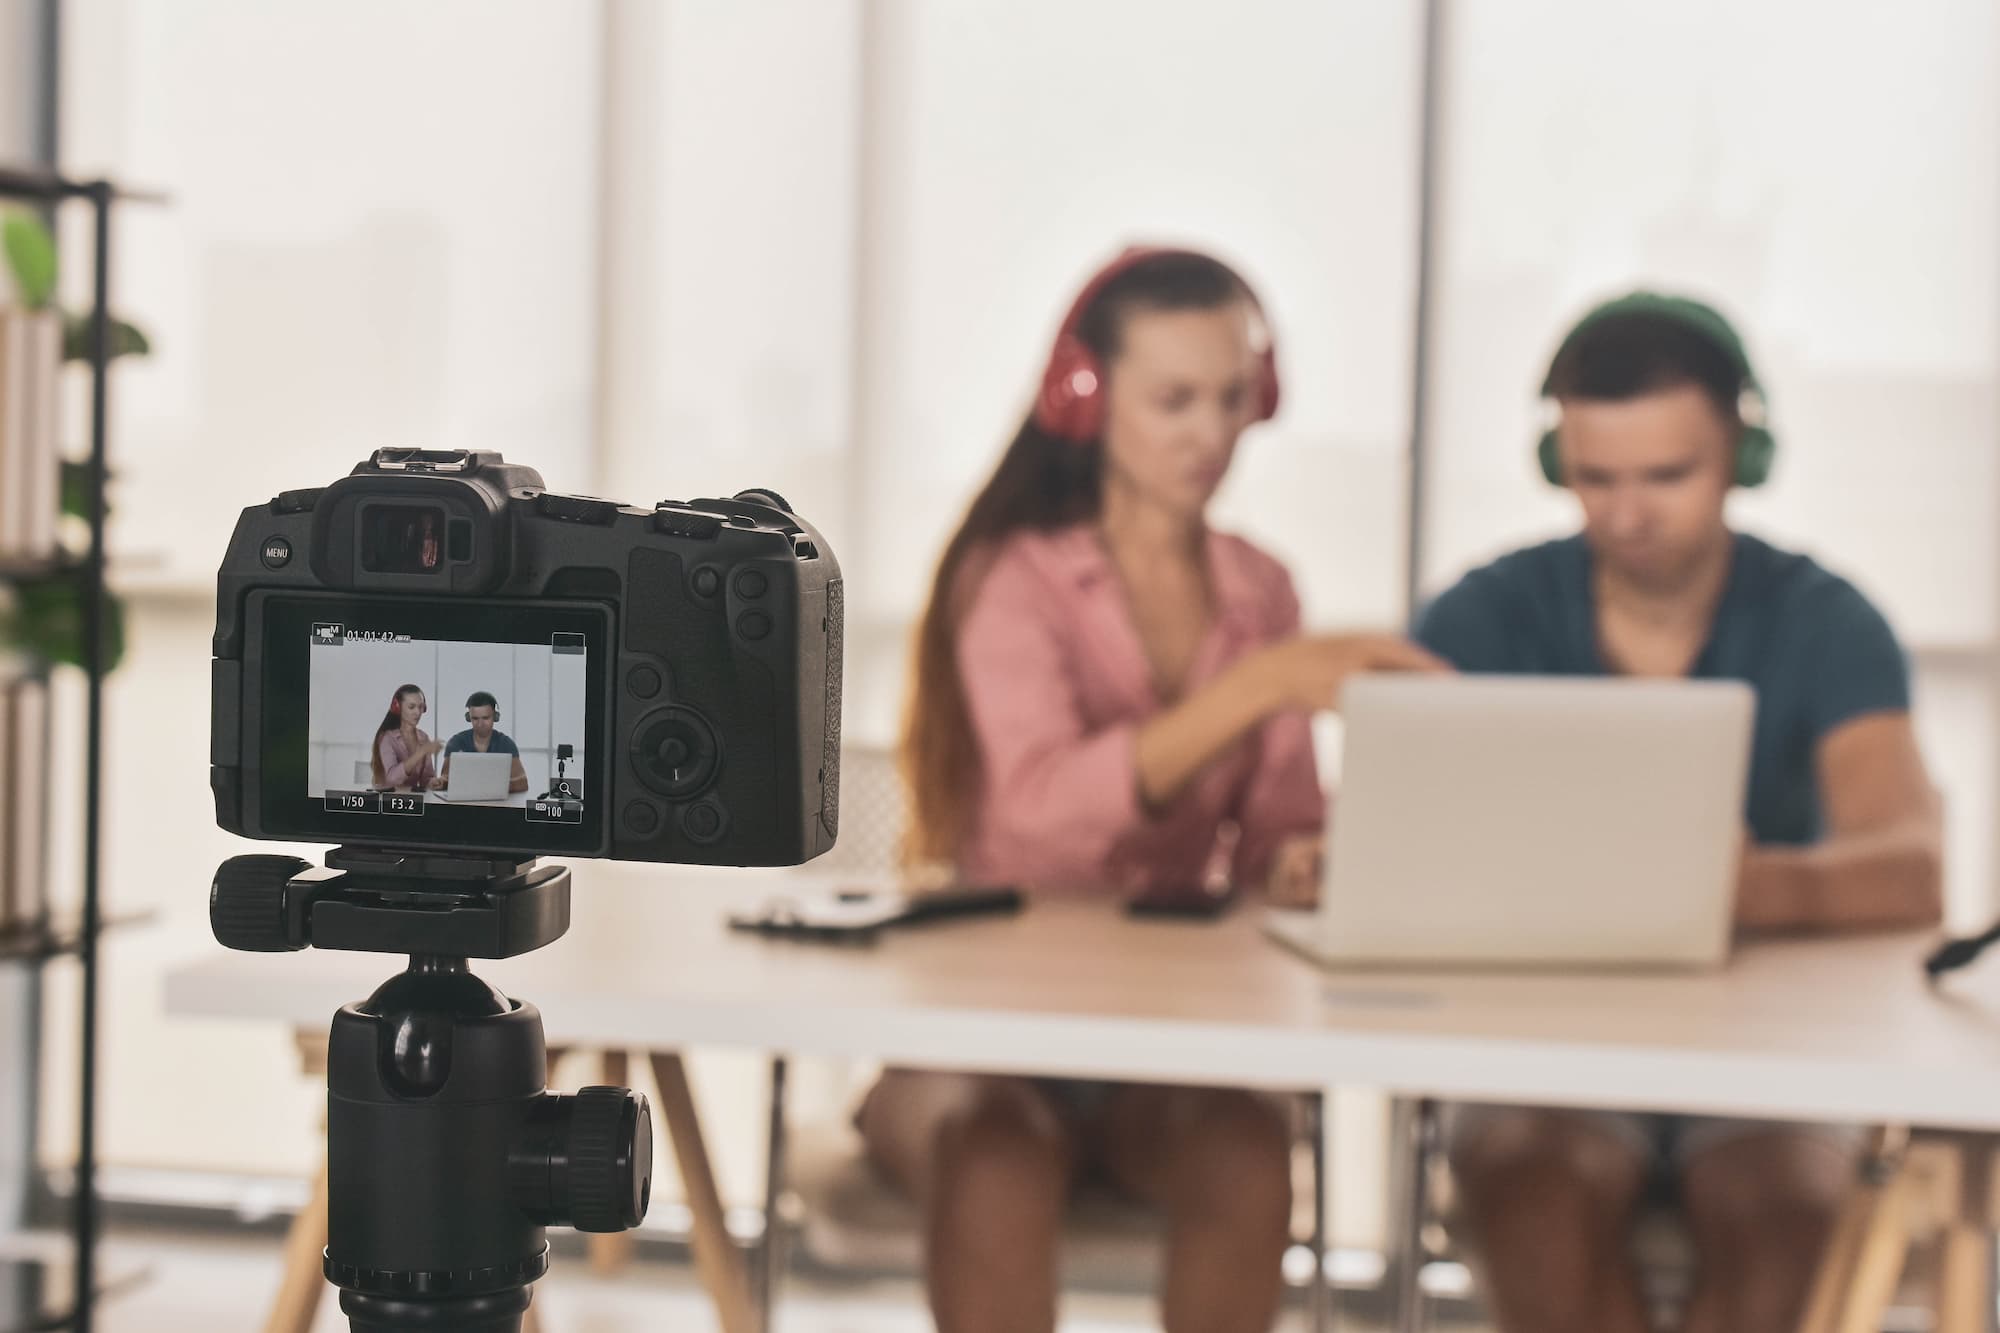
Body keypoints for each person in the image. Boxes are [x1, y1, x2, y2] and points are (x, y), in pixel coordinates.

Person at [870, 246, 1445, 1333]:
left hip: (1169, 1031)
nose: (1208, 432)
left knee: (1243, 1149)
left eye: (1232, 397)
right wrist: (1260, 685)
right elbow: (1039, 818)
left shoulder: (1258, 585)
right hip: (992, 1034)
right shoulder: (1012, 576)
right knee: (997, 1156)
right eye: (1173, 398)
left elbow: (1281, 822)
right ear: (1084, 399)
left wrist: (1305, 858)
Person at [1414, 291, 1944, 1333]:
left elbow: (1909, 865)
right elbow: (1405, 834)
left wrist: (1757, 887)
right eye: (1594, 477)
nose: (1626, 514)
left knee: (1784, 1220)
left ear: (1740, 460)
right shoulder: (1481, 614)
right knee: (1533, 1197)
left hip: (1764, 1053)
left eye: (1666, 475)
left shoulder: (1825, 621)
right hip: (1540, 1051)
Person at [437, 690, 529, 793]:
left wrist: (489, 786)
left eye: (485, 718)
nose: (480, 724)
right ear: (468, 718)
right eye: (475, 719)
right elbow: (445, 777)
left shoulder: (506, 743)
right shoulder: (456, 741)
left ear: (495, 716)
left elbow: (523, 782)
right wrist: (441, 782)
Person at [370, 683, 442, 790]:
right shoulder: (387, 738)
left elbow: (426, 779)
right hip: (388, 800)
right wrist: (421, 752)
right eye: (411, 707)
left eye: (421, 707)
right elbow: (392, 778)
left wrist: (434, 782)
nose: (417, 712)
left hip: (411, 801)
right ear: (398, 707)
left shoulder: (423, 737)